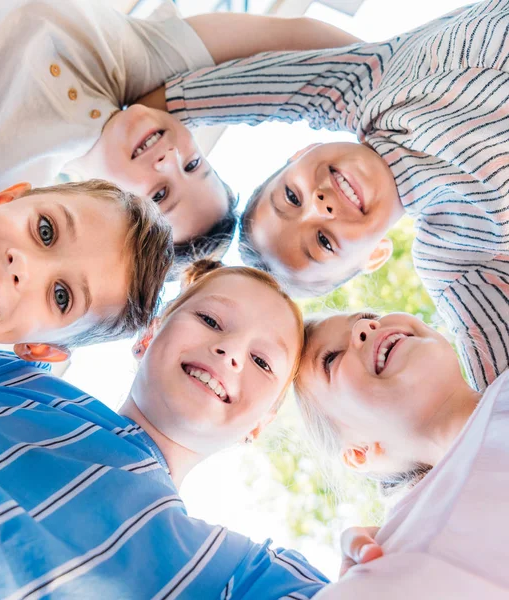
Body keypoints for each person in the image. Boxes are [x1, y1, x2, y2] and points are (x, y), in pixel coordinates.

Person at [0, 261, 342, 599]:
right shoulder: (13, 379)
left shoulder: (225, 572)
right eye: (211, 321)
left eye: (263, 362)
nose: (230, 351)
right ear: (148, 336)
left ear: (261, 424)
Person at [143, 0, 509, 388]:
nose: (318, 205)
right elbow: (497, 407)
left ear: (299, 154)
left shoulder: (366, 88)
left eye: (291, 198)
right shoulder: (459, 255)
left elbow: (202, 99)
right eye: (322, 241)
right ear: (375, 256)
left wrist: (120, 132)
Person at [0, 0, 360, 266]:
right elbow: (297, 35)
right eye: (193, 164)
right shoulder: (129, 63)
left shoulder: (1, 193)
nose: (168, 159)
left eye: (161, 195)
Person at [0, 138, 171, 450]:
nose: (24, 266)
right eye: (45, 231)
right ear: (4, 198)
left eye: (61, 296)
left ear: (39, 349)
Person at [294, 309, 509, 599]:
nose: (365, 326)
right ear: (360, 452)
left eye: (370, 315)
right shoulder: (404, 551)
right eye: (330, 359)